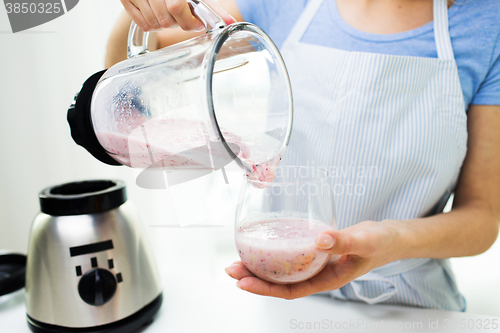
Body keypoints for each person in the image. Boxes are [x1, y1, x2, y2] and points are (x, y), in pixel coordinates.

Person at [106, 0, 500, 311]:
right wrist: (144, 12)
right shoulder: (283, 4)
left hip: (412, 305)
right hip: (280, 294)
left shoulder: (488, 27)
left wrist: (390, 241)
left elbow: (482, 217)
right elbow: (131, 67)